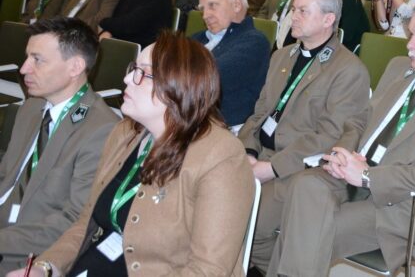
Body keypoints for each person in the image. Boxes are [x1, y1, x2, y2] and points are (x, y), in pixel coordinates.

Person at [266, 0, 415, 277]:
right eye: (411, 33)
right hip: (354, 173)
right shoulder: (400, 68)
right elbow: (360, 119)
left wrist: (368, 177)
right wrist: (344, 152)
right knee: (304, 186)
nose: (410, 43)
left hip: (404, 204)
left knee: (307, 229)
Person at [14, 33, 256, 277]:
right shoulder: (126, 133)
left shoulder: (221, 156)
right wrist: (45, 268)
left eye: (142, 72)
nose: (127, 78)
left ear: (176, 86)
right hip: (97, 262)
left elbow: (208, 270)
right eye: (133, 69)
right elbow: (85, 223)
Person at [237, 0, 371, 276]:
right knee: (221, 213)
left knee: (247, 222)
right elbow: (260, 111)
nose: (293, 16)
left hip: (301, 168)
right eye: (294, 10)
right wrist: (247, 150)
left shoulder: (348, 70)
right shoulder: (282, 56)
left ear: (328, 20)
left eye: (302, 11)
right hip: (259, 157)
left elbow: (331, 136)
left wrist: (270, 169)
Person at [0, 18, 118, 274]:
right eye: (26, 58)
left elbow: (74, 221)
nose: (23, 69)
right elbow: (6, 174)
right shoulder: (31, 107)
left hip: (24, 252)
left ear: (75, 66)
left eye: (37, 60)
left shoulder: (101, 129)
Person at [191, 0, 269, 131]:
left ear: (237, 5)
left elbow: (209, 77)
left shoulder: (254, 41)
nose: (206, 15)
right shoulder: (198, 38)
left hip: (223, 126)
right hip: (191, 118)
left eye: (213, 6)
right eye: (202, 9)